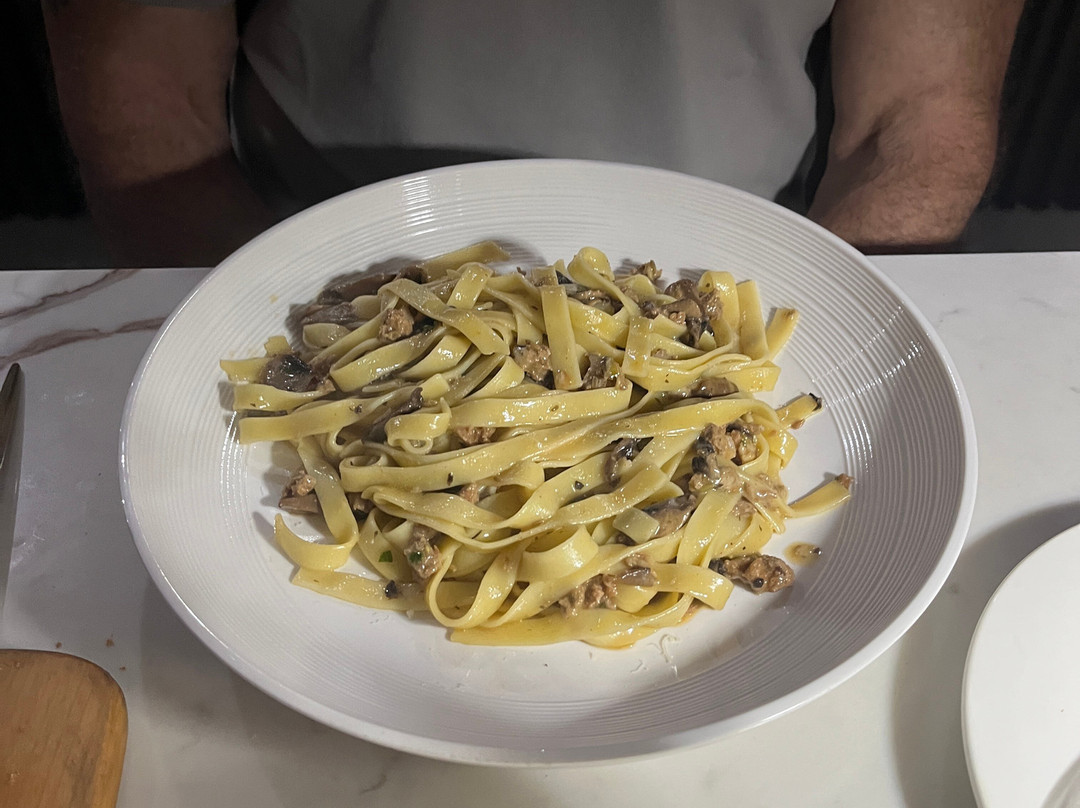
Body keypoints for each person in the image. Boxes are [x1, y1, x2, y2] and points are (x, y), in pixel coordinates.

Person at [41, 0, 1024, 267]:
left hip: (729, 258)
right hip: (306, 238)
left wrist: (817, 345)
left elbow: (919, 115)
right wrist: (264, 319)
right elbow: (146, 93)